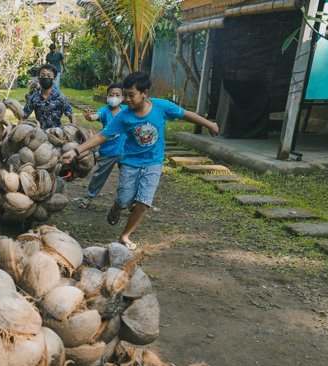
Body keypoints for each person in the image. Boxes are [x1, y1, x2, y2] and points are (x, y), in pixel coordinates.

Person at [61, 71, 219, 250]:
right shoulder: (123, 116)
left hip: (154, 162)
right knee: (124, 200)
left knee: (144, 202)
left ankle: (125, 235)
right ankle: (116, 207)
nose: (126, 100)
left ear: (145, 93)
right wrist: (75, 151)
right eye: (125, 95)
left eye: (131, 95)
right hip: (130, 163)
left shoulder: (162, 107)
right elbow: (101, 136)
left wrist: (210, 124)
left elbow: (185, 114)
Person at [79, 82, 126, 209]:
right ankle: (89, 197)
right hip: (108, 151)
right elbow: (96, 116)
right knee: (99, 176)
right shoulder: (105, 110)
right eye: (111, 95)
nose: (114, 97)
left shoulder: (126, 111)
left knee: (128, 177)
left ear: (122, 98)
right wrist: (90, 117)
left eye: (117, 95)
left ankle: (127, 201)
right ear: (107, 97)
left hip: (125, 151)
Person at [24, 64, 76, 130]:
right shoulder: (33, 98)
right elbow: (23, 117)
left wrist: (74, 132)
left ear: (54, 79)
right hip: (39, 134)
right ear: (39, 79)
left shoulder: (60, 97)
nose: (46, 78)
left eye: (49, 76)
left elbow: (72, 117)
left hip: (57, 134)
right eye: (43, 76)